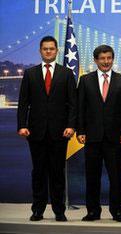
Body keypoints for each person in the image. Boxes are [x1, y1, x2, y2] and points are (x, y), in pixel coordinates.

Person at [17, 36, 77, 222]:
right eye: (45, 49)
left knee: (57, 173)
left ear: (57, 50)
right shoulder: (30, 73)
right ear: (40, 51)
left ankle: (59, 211)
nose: (48, 51)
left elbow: (73, 104)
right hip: (36, 132)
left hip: (60, 132)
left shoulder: (66, 73)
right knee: (39, 172)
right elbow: (23, 103)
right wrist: (22, 125)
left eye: (52, 48)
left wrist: (71, 125)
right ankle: (38, 210)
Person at [77, 45, 121, 222]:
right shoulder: (85, 80)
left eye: (109, 58)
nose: (106, 61)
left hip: (115, 138)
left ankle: (117, 212)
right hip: (91, 137)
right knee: (92, 177)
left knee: (115, 178)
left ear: (113, 59)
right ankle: (93, 211)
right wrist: (81, 131)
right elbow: (80, 109)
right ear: (95, 60)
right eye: (102, 58)